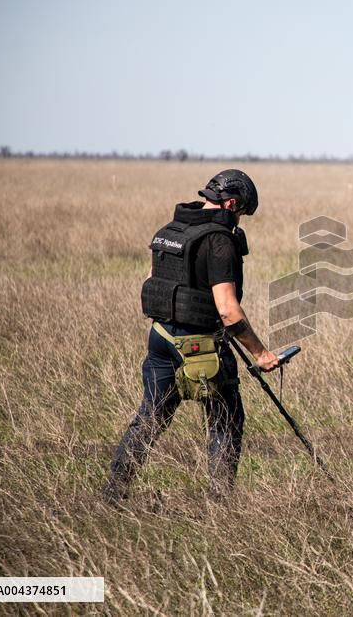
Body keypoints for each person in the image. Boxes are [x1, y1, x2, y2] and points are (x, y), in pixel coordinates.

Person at [103, 169, 282, 504]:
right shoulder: (219, 240)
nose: (239, 221)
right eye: (240, 212)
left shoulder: (170, 231)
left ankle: (114, 494)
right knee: (226, 420)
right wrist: (260, 354)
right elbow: (228, 310)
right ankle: (220, 505)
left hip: (160, 339)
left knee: (151, 418)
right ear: (231, 203)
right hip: (201, 348)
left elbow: (153, 280)